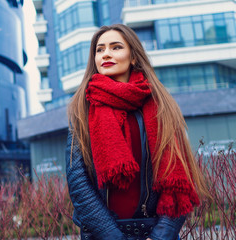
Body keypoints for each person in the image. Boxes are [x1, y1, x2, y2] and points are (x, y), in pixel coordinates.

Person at [65, 24, 210, 240]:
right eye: (99, 49)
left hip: (154, 232)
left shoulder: (162, 107)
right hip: (102, 235)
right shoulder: (82, 110)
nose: (106, 54)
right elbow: (78, 183)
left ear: (133, 57)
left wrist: (160, 237)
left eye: (116, 47)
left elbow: (180, 181)